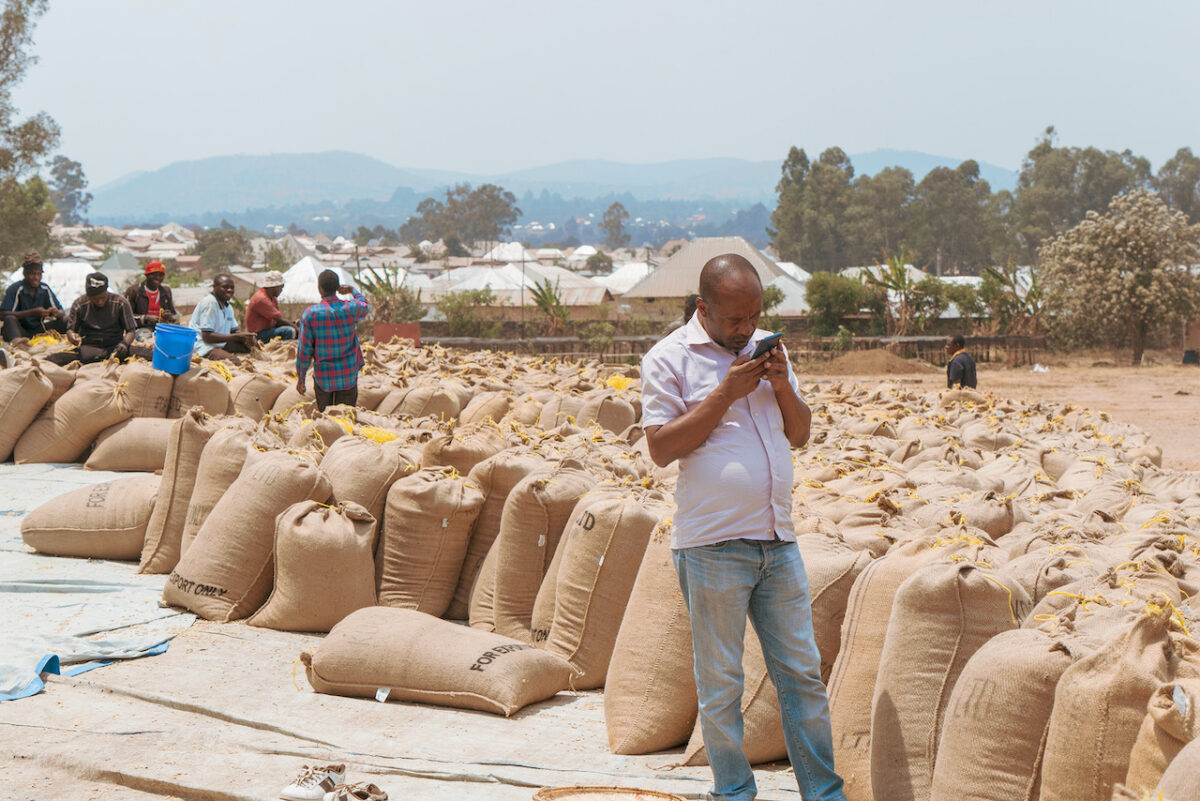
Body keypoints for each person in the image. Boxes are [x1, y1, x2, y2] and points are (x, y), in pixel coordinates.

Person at [640, 254, 845, 801]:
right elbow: (661, 448)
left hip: (778, 543)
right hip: (711, 547)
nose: (746, 328)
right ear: (704, 308)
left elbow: (799, 434)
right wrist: (724, 393)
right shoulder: (670, 359)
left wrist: (781, 386)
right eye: (734, 319)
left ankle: (823, 794)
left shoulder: (770, 353)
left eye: (754, 316)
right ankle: (734, 791)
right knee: (722, 684)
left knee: (801, 676)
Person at [296, 270, 369, 411]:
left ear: (319, 288)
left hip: (324, 379)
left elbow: (304, 351)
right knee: (346, 420)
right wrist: (353, 290)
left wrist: (301, 378)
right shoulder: (350, 308)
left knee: (326, 421)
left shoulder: (311, 314)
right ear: (338, 288)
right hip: (348, 375)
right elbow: (365, 305)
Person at [46, 272, 150, 366]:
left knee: (149, 354)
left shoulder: (120, 302)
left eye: (103, 297)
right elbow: (70, 330)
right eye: (95, 299)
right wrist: (72, 337)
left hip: (116, 347)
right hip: (90, 348)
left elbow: (131, 330)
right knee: (52, 359)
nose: (100, 302)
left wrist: (125, 344)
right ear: (88, 295)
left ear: (106, 291)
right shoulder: (79, 304)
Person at [1, 253, 68, 342]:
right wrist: (32, 313)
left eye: (39, 274)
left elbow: (61, 311)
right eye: (32, 274)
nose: (36, 278)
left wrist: (55, 313)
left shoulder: (45, 289)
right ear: (25, 274)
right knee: (9, 319)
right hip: (20, 331)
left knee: (65, 320)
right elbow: (2, 315)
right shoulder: (16, 289)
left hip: (38, 331)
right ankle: (18, 344)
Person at [191, 273, 256, 361]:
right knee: (235, 361)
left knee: (251, 349)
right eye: (225, 287)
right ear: (214, 287)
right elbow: (207, 337)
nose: (229, 290)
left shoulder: (227, 306)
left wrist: (246, 337)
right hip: (204, 347)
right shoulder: (210, 303)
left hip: (220, 344)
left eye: (232, 288)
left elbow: (234, 330)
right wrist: (235, 337)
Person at [125, 260, 178, 338]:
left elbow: (174, 315)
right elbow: (126, 317)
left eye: (161, 275)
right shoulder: (134, 291)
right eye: (154, 274)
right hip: (141, 329)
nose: (158, 278)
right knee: (146, 336)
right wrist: (145, 318)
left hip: (162, 328)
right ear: (147, 275)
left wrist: (170, 316)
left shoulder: (166, 291)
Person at [245, 271, 297, 342]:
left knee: (292, 327)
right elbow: (280, 320)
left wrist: (293, 323)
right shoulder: (261, 299)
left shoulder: (273, 298)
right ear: (274, 287)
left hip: (267, 330)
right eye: (281, 287)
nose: (281, 290)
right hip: (258, 335)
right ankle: (284, 351)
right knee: (289, 331)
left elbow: (277, 321)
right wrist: (297, 329)